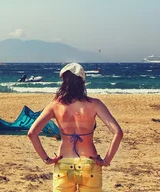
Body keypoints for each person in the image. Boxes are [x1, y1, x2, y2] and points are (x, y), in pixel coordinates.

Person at [27, 62, 123, 191]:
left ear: (63, 82)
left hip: (64, 163)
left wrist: (46, 159)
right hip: (89, 163)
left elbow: (32, 133)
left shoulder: (55, 105)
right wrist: (106, 161)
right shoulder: (95, 104)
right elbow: (118, 133)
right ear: (83, 82)